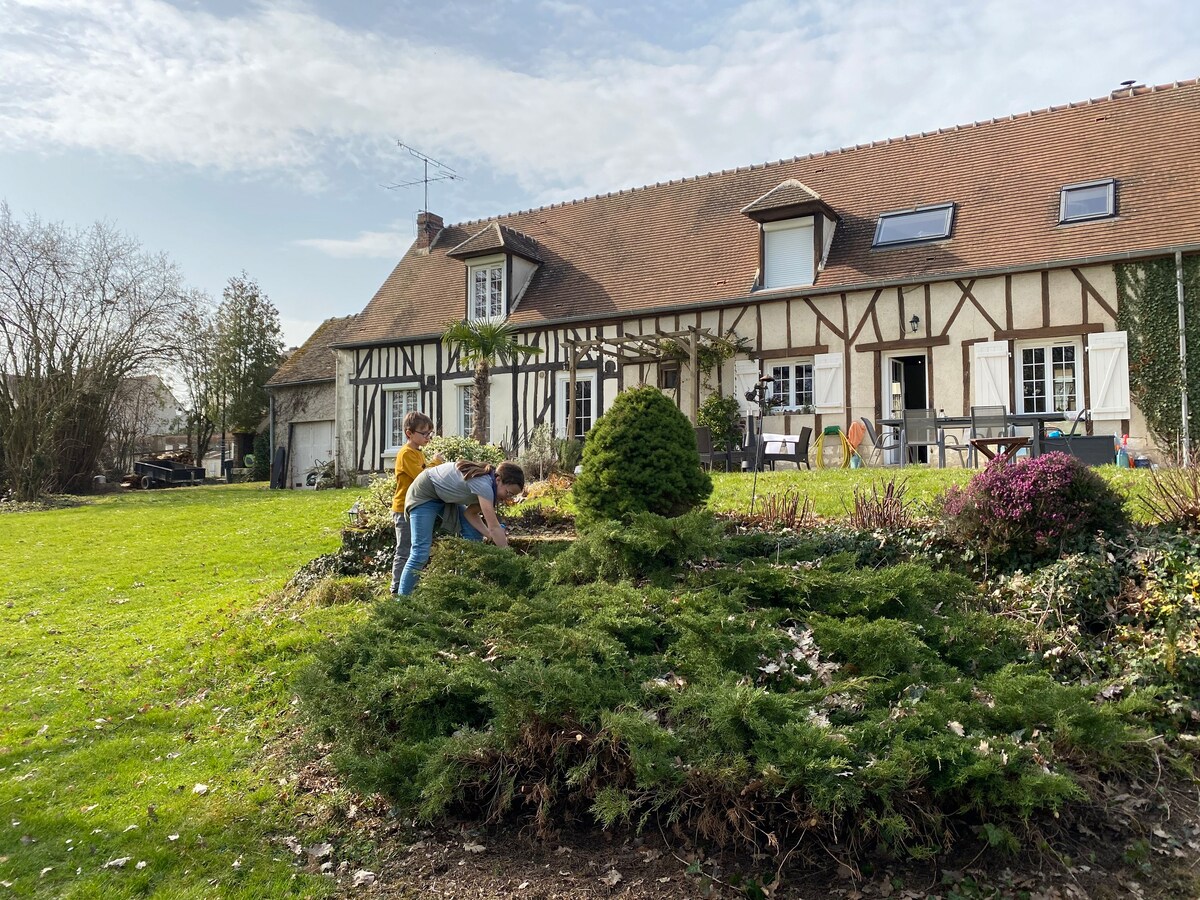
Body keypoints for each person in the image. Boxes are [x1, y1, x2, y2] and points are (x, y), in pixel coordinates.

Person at [397, 460, 525, 596]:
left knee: (474, 536)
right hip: (424, 493)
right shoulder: (484, 485)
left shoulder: (490, 485)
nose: (507, 498)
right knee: (420, 552)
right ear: (498, 479)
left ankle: (465, 593)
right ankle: (401, 603)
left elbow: (470, 514)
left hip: (445, 497)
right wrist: (511, 559)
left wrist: (488, 534)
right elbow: (494, 527)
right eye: (509, 493)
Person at [389, 411, 439, 595]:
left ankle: (409, 587)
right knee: (404, 550)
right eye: (424, 433)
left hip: (415, 507)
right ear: (409, 433)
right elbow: (422, 477)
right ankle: (397, 589)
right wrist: (435, 463)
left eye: (429, 433)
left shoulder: (417, 453)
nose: (428, 437)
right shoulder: (406, 453)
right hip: (403, 508)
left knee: (414, 550)